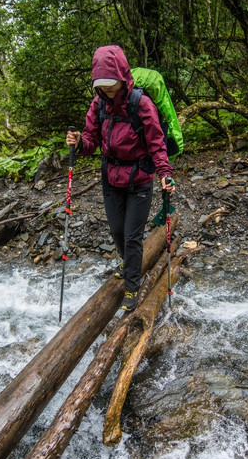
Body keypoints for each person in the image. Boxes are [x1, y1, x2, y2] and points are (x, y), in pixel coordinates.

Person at [66, 45, 176, 312]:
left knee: (131, 236)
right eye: (101, 84)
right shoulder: (99, 104)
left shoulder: (142, 103)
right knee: (117, 231)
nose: (107, 89)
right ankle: (130, 266)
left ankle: (132, 286)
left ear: (123, 75)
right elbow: (91, 140)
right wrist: (79, 142)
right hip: (111, 177)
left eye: (111, 83)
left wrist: (165, 174)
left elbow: (156, 143)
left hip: (139, 178)